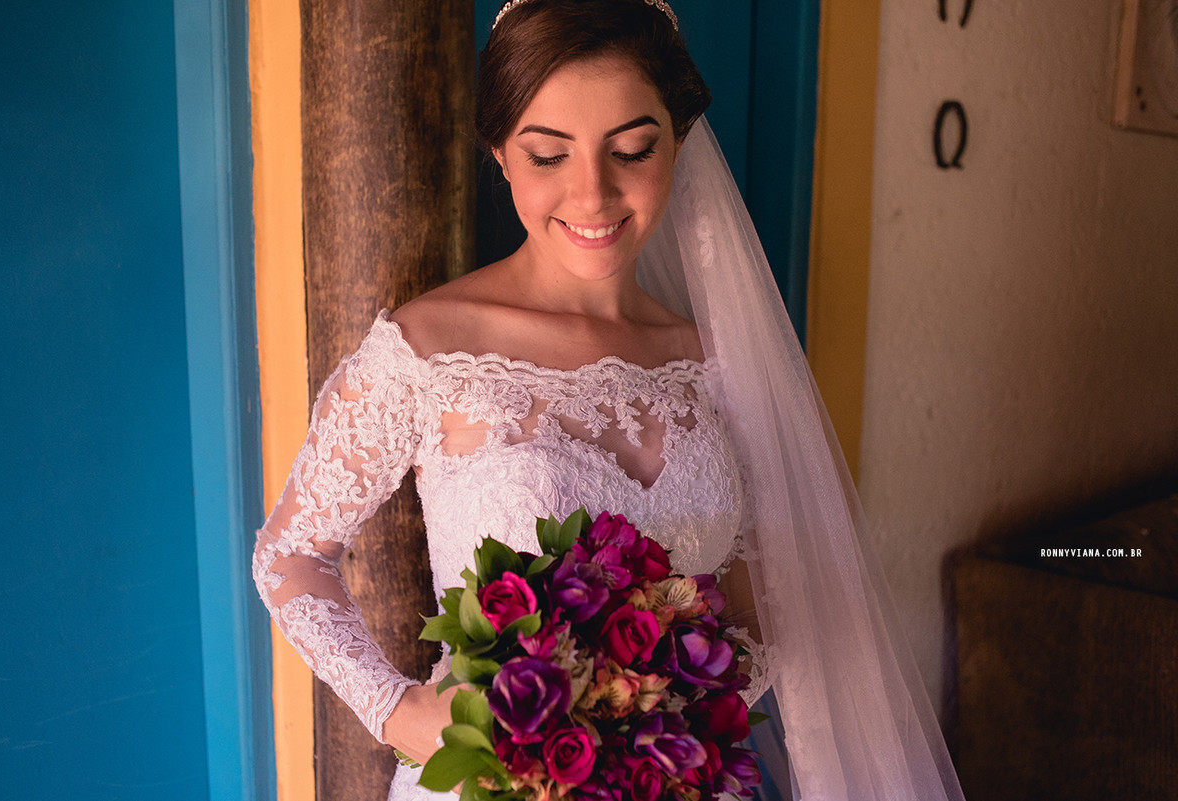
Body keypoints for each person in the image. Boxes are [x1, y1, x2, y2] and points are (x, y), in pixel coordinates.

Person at [254, 2, 967, 800]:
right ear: (500, 151)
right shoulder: (429, 351)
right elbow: (287, 557)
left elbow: (766, 596)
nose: (592, 195)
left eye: (631, 149)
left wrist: (674, 715)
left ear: (678, 142)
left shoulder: (718, 361)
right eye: (549, 154)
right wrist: (398, 710)